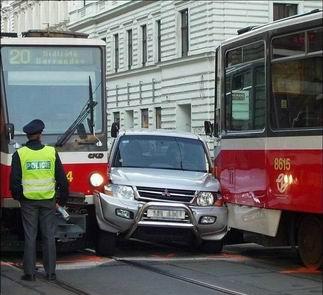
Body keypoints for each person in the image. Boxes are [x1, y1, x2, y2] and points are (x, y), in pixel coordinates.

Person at [10, 119, 69, 282]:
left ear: (27, 136)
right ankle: (50, 273)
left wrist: (19, 197)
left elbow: (14, 181)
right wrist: (62, 200)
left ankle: (30, 273)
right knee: (49, 236)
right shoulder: (51, 152)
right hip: (48, 200)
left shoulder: (20, 154)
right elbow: (62, 179)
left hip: (28, 201)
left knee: (30, 235)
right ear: (40, 135)